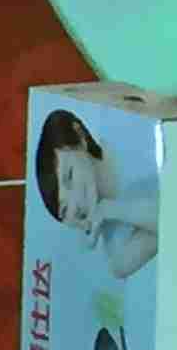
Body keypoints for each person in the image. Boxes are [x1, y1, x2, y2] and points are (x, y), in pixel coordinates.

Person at [33, 105, 160, 277]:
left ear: (80, 136)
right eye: (65, 209)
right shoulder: (118, 254)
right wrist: (110, 209)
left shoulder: (124, 123)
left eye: (69, 176)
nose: (75, 206)